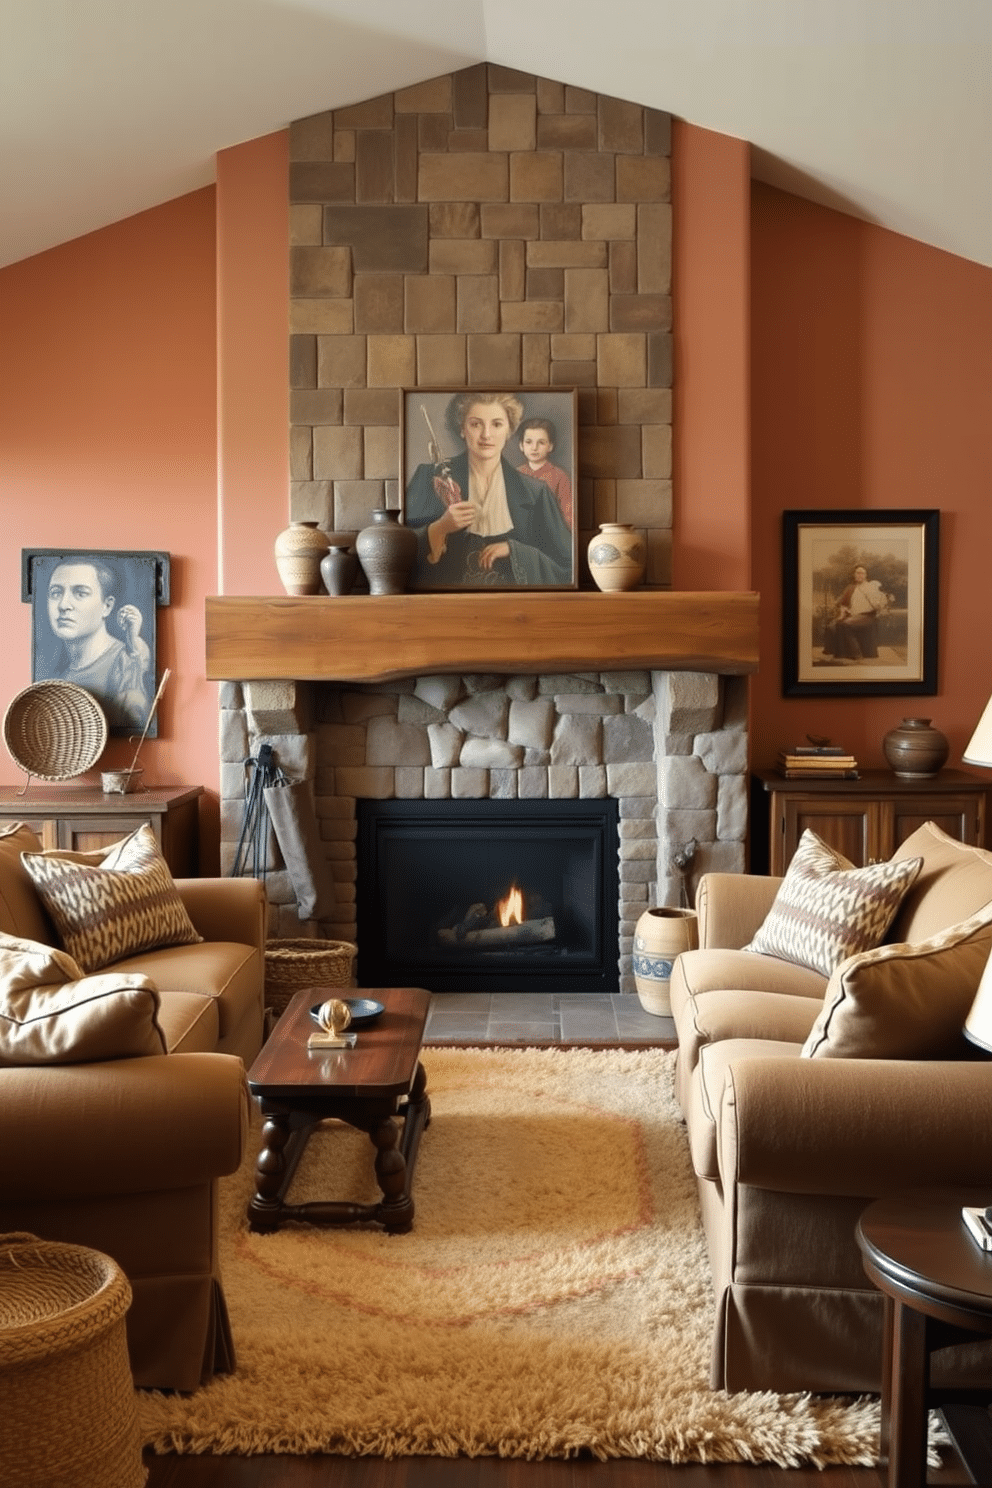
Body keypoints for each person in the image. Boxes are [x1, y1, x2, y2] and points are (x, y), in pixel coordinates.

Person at [404, 393, 573, 588]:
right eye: (476, 424)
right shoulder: (428, 477)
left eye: (497, 424)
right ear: (462, 429)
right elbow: (397, 554)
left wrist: (516, 551)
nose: (486, 435)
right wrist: (440, 528)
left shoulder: (535, 492)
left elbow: (567, 567)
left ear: (509, 430)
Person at [45, 558, 152, 729]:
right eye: (56, 593)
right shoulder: (60, 676)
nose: (63, 605)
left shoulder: (125, 660)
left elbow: (137, 722)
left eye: (80, 593)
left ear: (107, 606)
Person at [819, 564, 890, 661]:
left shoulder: (870, 587)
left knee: (845, 624)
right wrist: (841, 615)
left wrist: (875, 600)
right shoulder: (851, 588)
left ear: (866, 575)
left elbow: (877, 606)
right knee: (832, 626)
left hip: (867, 616)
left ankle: (857, 655)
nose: (860, 575)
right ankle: (838, 653)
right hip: (852, 616)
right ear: (854, 575)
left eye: (862, 573)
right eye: (858, 573)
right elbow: (843, 604)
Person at [515, 416, 573, 528]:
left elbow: (569, 518)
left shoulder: (559, 476)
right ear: (521, 445)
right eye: (528, 442)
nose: (534, 448)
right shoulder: (514, 474)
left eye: (541, 442)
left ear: (550, 446)